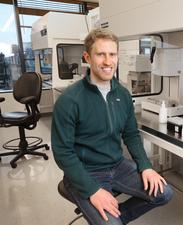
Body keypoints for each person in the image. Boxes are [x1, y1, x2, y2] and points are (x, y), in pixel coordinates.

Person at [51, 28, 173, 225]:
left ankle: (114, 218)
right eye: (100, 54)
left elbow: (131, 135)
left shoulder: (123, 94)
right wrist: (92, 190)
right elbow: (63, 153)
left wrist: (146, 166)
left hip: (118, 166)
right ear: (87, 58)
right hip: (85, 171)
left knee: (164, 193)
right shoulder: (70, 100)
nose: (108, 62)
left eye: (112, 54)